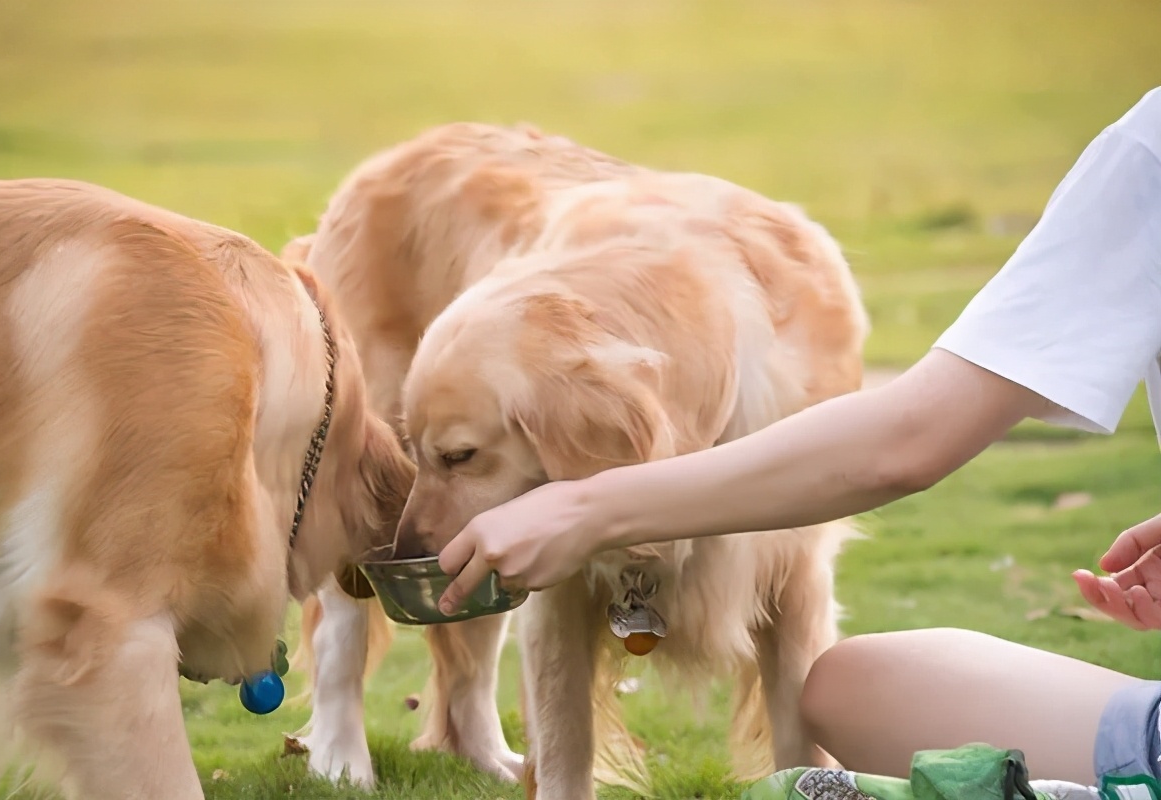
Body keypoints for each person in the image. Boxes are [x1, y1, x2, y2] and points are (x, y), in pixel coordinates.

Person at [435, 85, 1161, 787]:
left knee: (859, 687)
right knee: (850, 686)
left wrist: (588, 507)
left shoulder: (1148, 151)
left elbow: (906, 441)